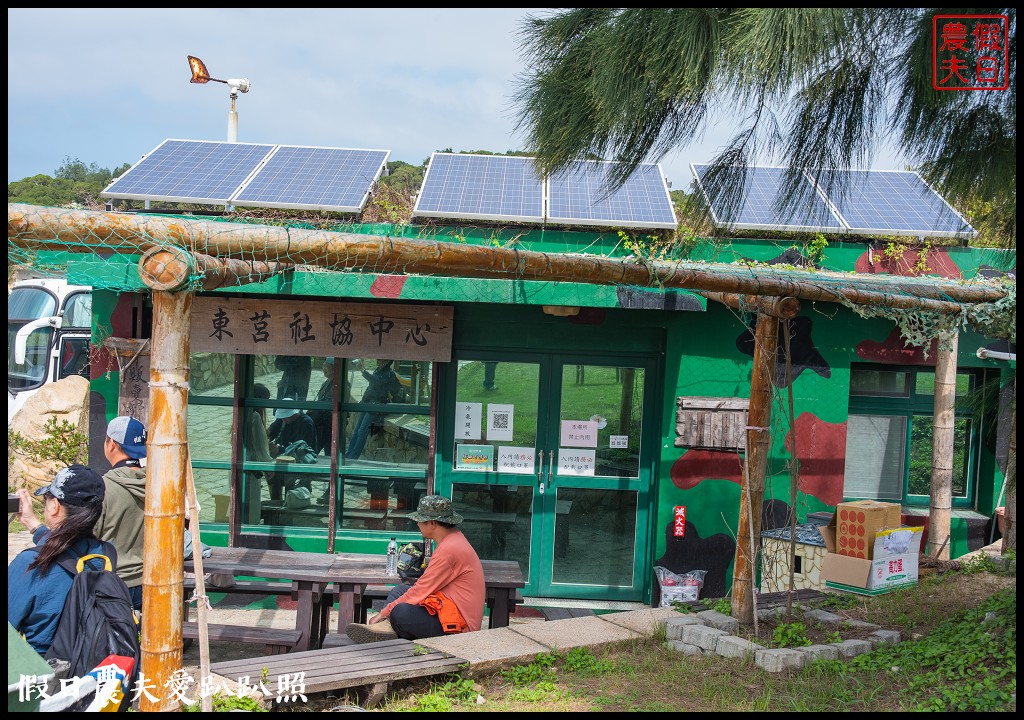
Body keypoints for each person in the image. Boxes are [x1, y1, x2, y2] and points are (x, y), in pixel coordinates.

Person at [345, 495, 485, 643]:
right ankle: (386, 628)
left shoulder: (449, 549)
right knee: (399, 590)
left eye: (420, 520)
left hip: (460, 627)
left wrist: (382, 613)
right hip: (445, 607)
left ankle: (385, 626)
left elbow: (421, 590)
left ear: (432, 523)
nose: (417, 524)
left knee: (400, 613)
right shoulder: (454, 538)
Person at [9, 465, 111, 654]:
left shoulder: (30, 562)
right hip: (87, 667)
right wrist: (33, 525)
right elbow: (67, 549)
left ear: (55, 506)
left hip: (39, 674)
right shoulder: (106, 554)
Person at [90, 415, 148, 613]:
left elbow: (90, 535)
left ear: (112, 444)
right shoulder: (157, 483)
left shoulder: (104, 487)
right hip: (149, 582)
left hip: (111, 583)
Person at [346, 359, 406, 461]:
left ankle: (353, 457)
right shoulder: (378, 370)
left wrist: (363, 371)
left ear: (386, 361)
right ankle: (348, 455)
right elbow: (371, 387)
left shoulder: (389, 374)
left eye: (380, 359)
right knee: (356, 430)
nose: (377, 360)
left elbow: (376, 381)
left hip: (376, 406)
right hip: (369, 404)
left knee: (362, 431)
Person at [266, 395, 317, 500]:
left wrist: (279, 449)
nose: (283, 419)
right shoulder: (283, 420)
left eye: (285, 417)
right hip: (284, 455)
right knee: (271, 473)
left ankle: (291, 499)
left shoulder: (306, 423)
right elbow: (272, 431)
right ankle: (276, 501)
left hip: (302, 458)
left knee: (286, 476)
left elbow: (302, 449)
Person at [244, 383, 274, 523]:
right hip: (251, 469)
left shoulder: (245, 413)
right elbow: (261, 449)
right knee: (252, 509)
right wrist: (270, 467)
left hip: (245, 465)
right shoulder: (255, 417)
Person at [309, 358, 336, 456]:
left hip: (330, 423)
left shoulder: (341, 384)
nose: (324, 369)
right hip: (322, 423)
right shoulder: (326, 383)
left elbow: (330, 403)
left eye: (327, 367)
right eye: (323, 366)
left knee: (329, 451)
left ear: (334, 369)